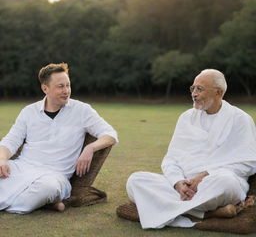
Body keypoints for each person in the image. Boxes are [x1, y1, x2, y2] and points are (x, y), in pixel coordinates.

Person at [126, 69, 256, 229]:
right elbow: (171, 158)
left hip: (214, 183)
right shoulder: (186, 118)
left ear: (218, 92)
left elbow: (249, 162)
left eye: (199, 89)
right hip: (182, 187)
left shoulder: (241, 119)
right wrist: (178, 183)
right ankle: (205, 214)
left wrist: (204, 176)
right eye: (192, 88)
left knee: (226, 182)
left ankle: (168, 209)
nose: (194, 94)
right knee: (135, 181)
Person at [0, 63, 118, 213]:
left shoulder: (82, 110)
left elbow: (110, 134)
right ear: (45, 88)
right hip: (22, 168)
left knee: (45, 190)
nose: (66, 91)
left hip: (54, 177)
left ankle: (40, 202)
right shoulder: (28, 112)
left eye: (68, 85)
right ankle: (49, 204)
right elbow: (10, 141)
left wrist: (90, 147)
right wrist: (2, 160)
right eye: (60, 86)